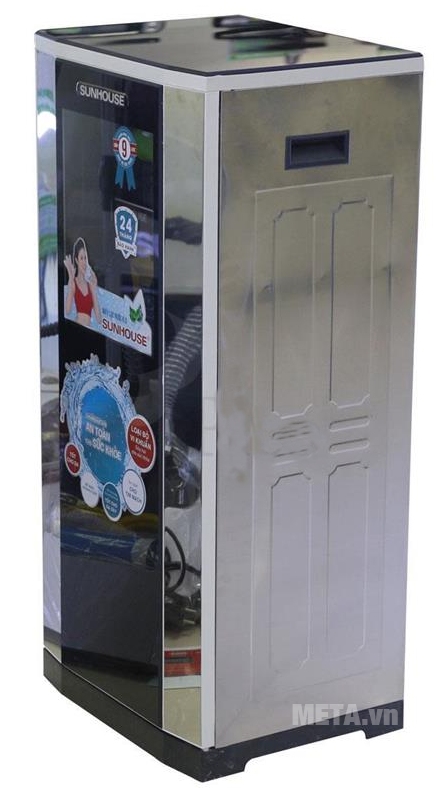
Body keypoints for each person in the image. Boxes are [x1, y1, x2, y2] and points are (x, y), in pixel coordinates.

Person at [64, 237, 101, 327]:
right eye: (81, 258)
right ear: (76, 260)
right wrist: (70, 277)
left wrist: (93, 289)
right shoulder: (74, 282)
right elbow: (67, 311)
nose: (84, 262)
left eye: (85, 258)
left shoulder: (90, 284)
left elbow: (99, 319)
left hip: (88, 329)